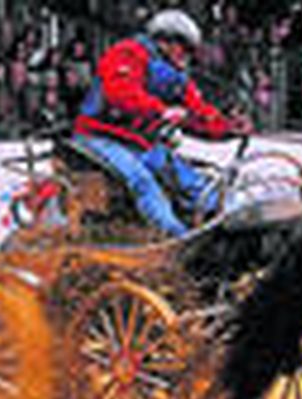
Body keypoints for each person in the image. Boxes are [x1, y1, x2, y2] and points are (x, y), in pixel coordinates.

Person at [72, 9, 250, 237]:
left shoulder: (176, 75)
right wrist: (162, 111)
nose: (186, 56)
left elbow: (197, 112)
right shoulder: (128, 53)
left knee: (188, 178)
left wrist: (227, 126)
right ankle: (175, 237)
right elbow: (120, 93)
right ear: (166, 41)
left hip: (138, 142)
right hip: (99, 137)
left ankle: (227, 219)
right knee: (141, 181)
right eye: (184, 48)